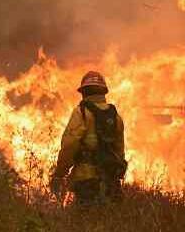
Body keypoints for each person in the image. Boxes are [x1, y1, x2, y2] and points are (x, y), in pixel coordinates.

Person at [50, 70, 127, 205]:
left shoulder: (82, 113)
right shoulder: (115, 116)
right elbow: (120, 151)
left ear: (84, 92)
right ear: (103, 92)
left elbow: (69, 145)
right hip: (111, 181)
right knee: (111, 221)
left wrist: (59, 173)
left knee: (86, 221)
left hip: (86, 180)